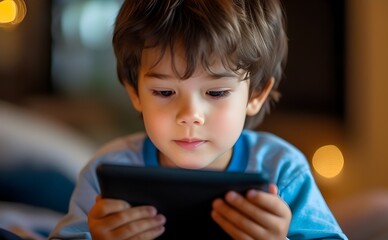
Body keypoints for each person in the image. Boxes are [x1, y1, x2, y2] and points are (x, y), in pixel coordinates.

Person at [49, 0, 347, 239]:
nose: (190, 115)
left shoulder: (282, 172)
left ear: (256, 94)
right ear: (135, 93)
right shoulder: (107, 176)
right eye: (165, 91)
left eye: (216, 92)